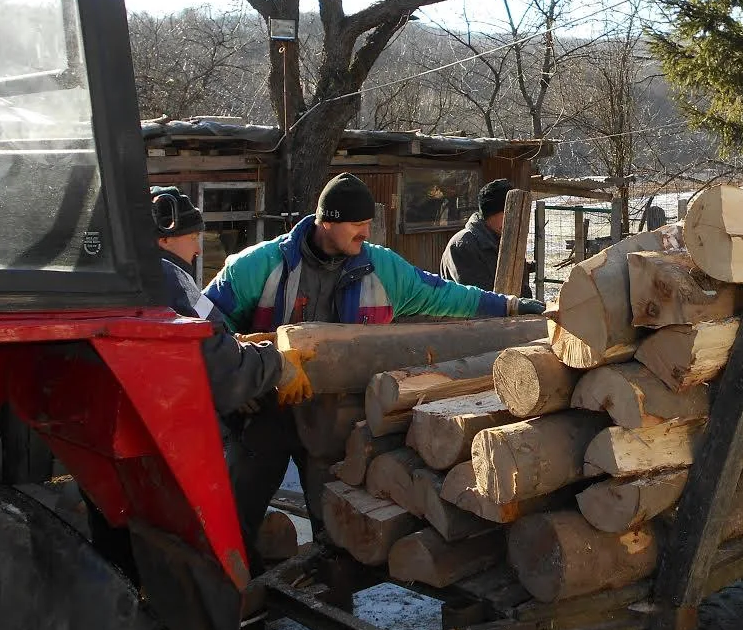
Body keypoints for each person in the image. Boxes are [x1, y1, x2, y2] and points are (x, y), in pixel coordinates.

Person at [203, 172, 545, 572]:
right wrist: (238, 386)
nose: (366, 231)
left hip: (335, 425)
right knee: (233, 521)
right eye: (357, 224)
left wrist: (510, 306)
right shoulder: (259, 267)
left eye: (368, 223)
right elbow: (204, 328)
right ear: (327, 221)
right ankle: (240, 618)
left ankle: (332, 618)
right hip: (263, 415)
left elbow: (447, 295)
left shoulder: (382, 270)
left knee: (334, 533)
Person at [84, 186, 309, 584]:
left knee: (120, 556)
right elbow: (215, 365)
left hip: (110, 443)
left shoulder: (114, 272)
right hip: (159, 448)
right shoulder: (167, 275)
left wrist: (242, 350)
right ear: (166, 236)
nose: (196, 249)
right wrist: (277, 365)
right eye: (193, 237)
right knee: (205, 560)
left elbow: (209, 341)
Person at [440, 178, 532, 295]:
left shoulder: (506, 240)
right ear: (491, 213)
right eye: (509, 214)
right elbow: (477, 299)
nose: (515, 220)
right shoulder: (462, 245)